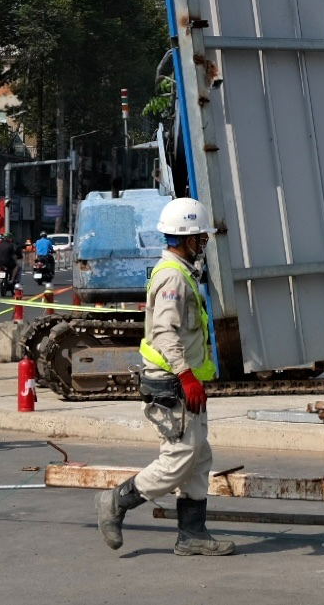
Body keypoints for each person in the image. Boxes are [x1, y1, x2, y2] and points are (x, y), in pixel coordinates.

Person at [95, 197, 234, 556]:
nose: (203, 243)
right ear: (188, 239)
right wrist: (187, 376)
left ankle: (192, 536)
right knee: (177, 460)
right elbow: (165, 333)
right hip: (173, 381)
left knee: (198, 457)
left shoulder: (183, 270)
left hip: (183, 380)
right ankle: (116, 501)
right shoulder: (172, 276)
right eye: (200, 238)